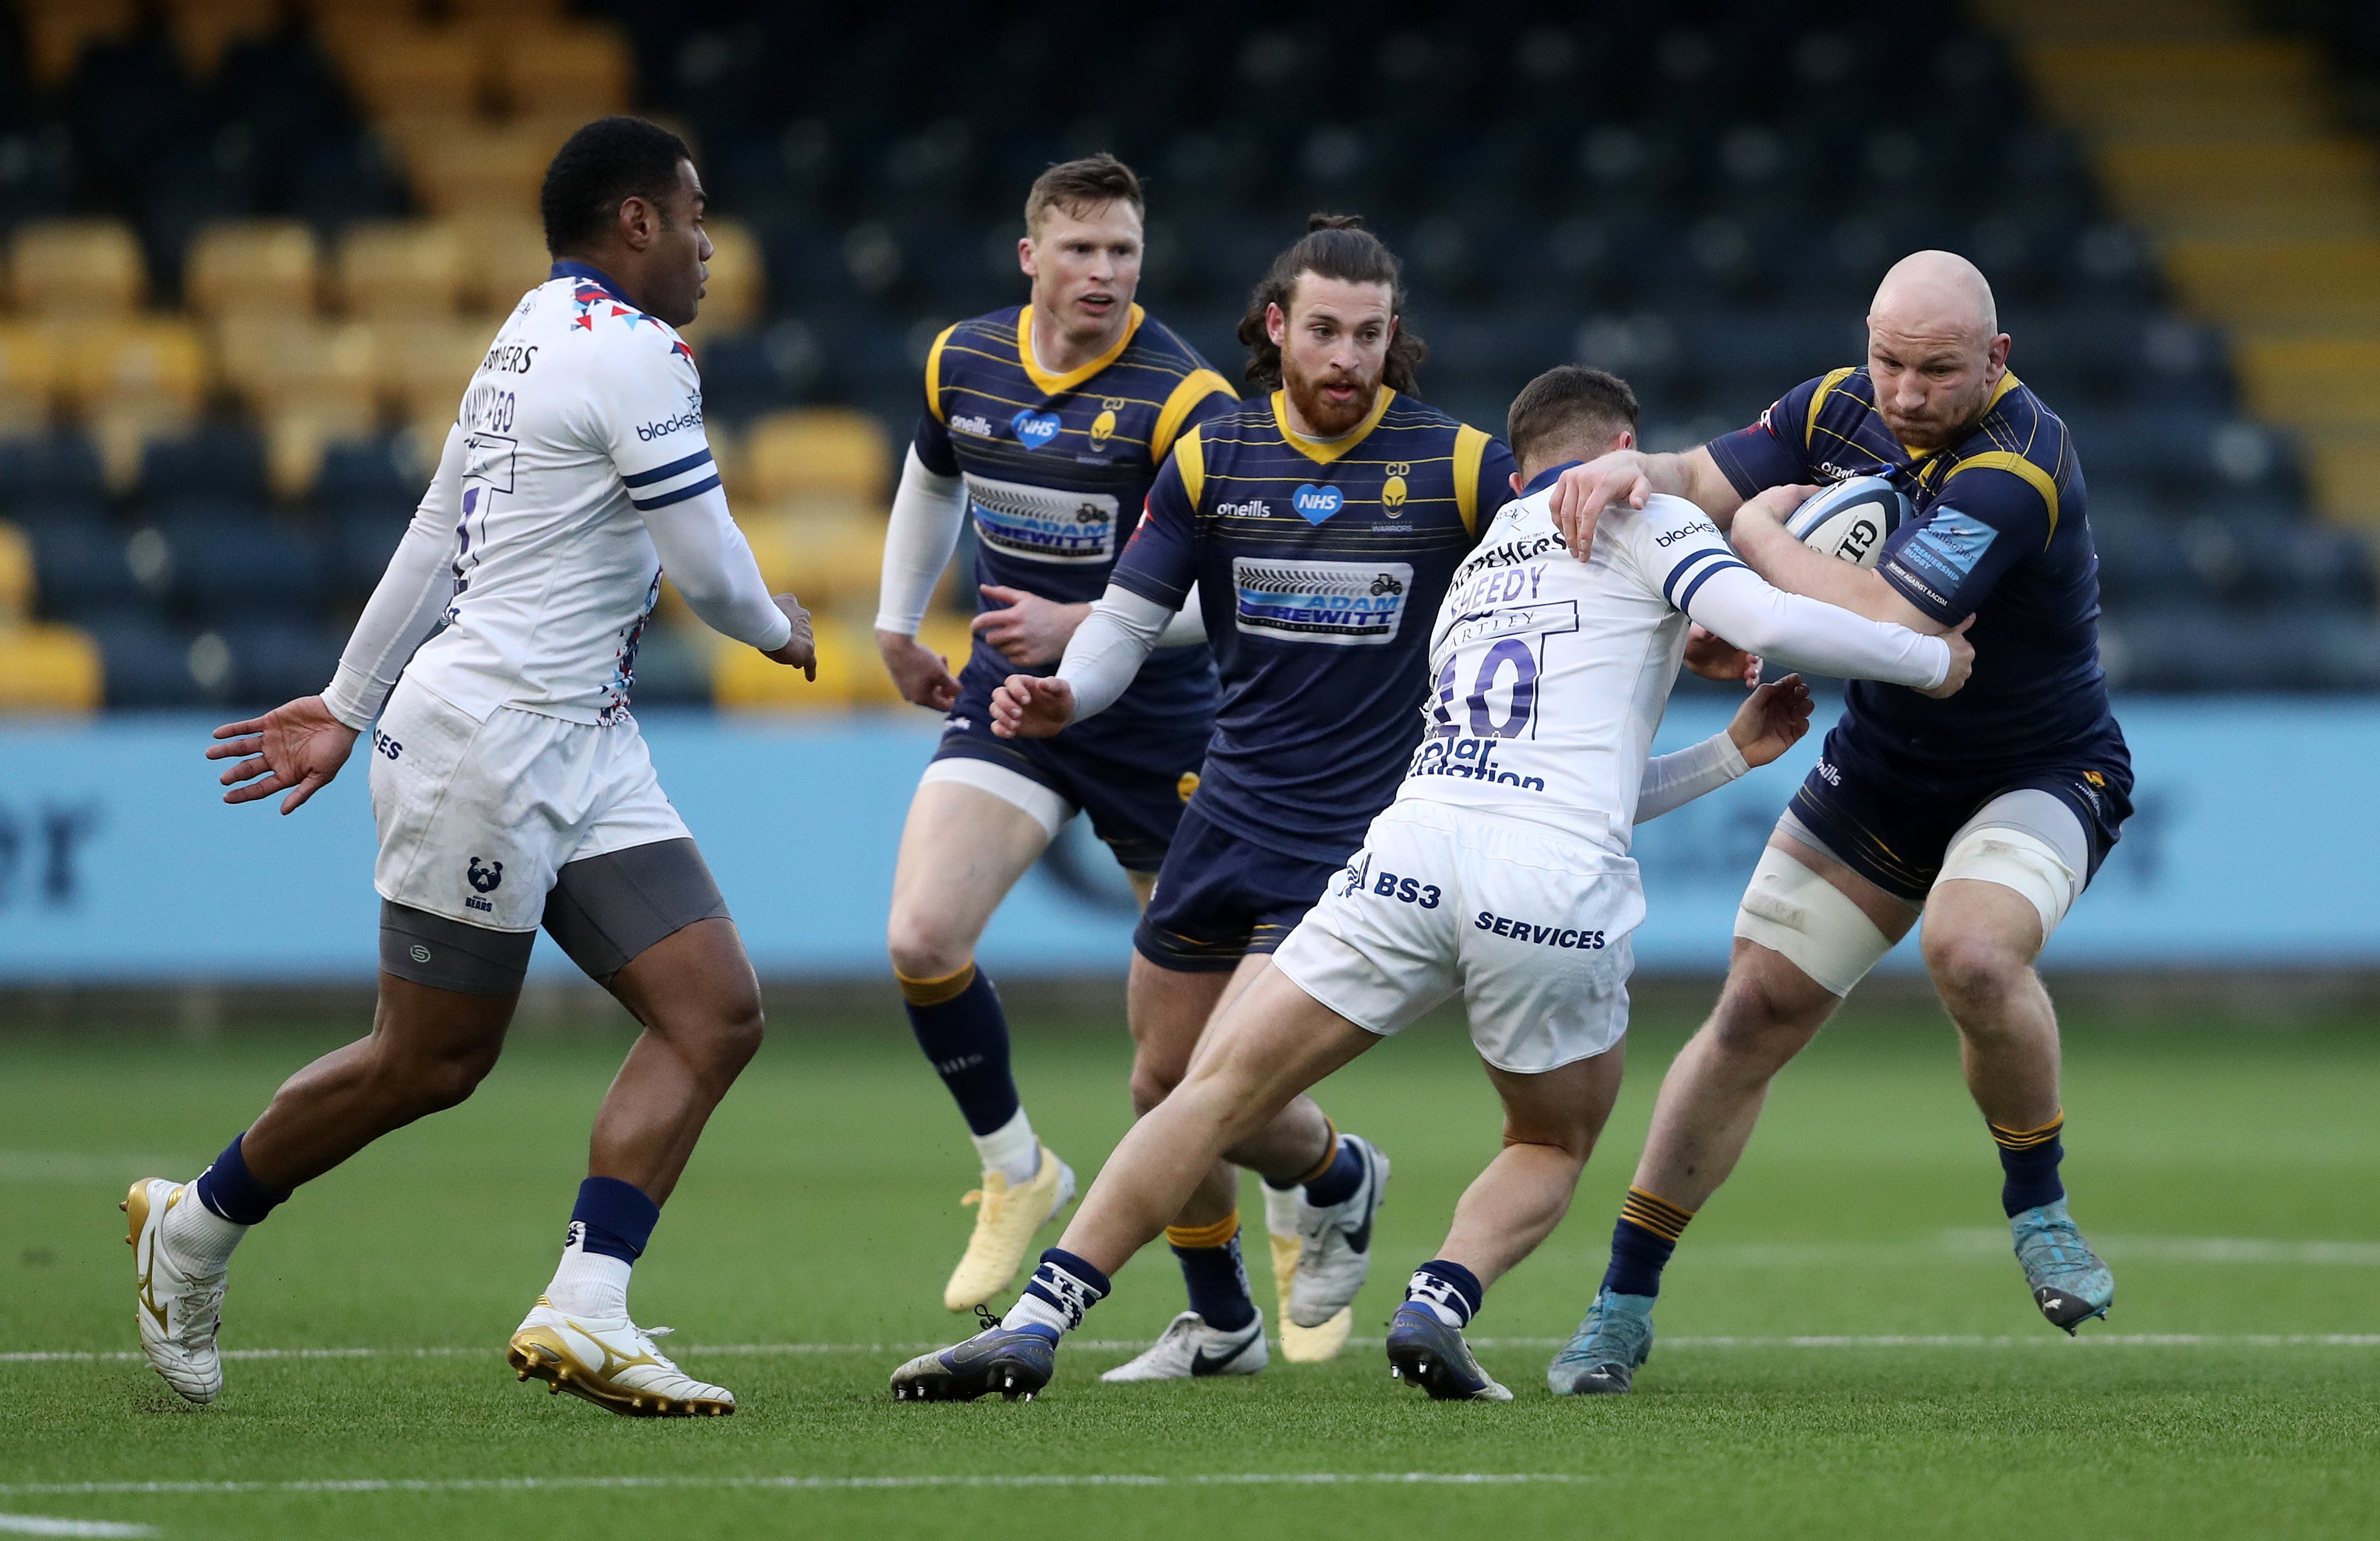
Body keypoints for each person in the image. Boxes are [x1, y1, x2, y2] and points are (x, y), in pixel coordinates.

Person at [884, 363, 1970, 1403]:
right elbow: (1773, 625)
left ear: (1520, 467)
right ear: (1626, 454)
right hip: (1548, 883)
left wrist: (1727, 752)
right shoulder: (1650, 514)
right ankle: (1438, 1301)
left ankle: (1037, 1317)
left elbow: (1552, 768)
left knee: (1210, 1090)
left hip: (1411, 849)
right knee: (1549, 1138)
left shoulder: (1478, 564)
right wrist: (1929, 659)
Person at [130, 117, 812, 1418]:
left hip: (587, 739)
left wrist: (341, 701)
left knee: (714, 1011)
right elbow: (717, 571)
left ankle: (587, 1305)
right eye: (696, 215)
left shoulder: (527, 334)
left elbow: (439, 524)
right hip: (489, 745)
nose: (712, 246)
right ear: (636, 225)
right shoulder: (634, 356)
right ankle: (198, 1225)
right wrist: (782, 627)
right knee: (431, 1063)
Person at [926, 215, 1520, 1380]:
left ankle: (1062, 1313)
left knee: (1212, 1088)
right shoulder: (1212, 459)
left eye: (1368, 333)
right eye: (1323, 331)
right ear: (1276, 330)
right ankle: (1269, 1268)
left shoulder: (1460, 466)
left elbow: (1568, 578)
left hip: (1355, 845)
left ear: (1394, 338)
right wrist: (1067, 695)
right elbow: (1128, 622)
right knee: (1163, 1082)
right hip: (1226, 812)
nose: (1346, 356)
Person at [1543, 251, 2133, 1396]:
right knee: (1754, 1009)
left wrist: (1759, 539)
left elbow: (1893, 618)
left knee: (1970, 951)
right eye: (1891, 362)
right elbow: (1693, 474)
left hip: (2043, 768)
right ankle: (1621, 1303)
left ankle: (2039, 1205)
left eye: (1939, 370)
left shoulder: (2020, 464)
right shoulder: (1836, 405)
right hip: (1883, 774)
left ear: (1998, 359)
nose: (1906, 394)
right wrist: (1623, 477)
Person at [873, 154, 1236, 1315]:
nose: (1104, 272)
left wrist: (1087, 619)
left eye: (1123, 251)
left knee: (1181, 1067)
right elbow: (934, 478)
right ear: (1031, 256)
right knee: (924, 938)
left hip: (1160, 725)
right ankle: (1016, 1170)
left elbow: (1228, 589)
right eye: (1080, 250)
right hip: (1010, 703)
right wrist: (894, 623)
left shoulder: (1188, 402)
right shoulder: (961, 358)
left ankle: (1245, 1275)